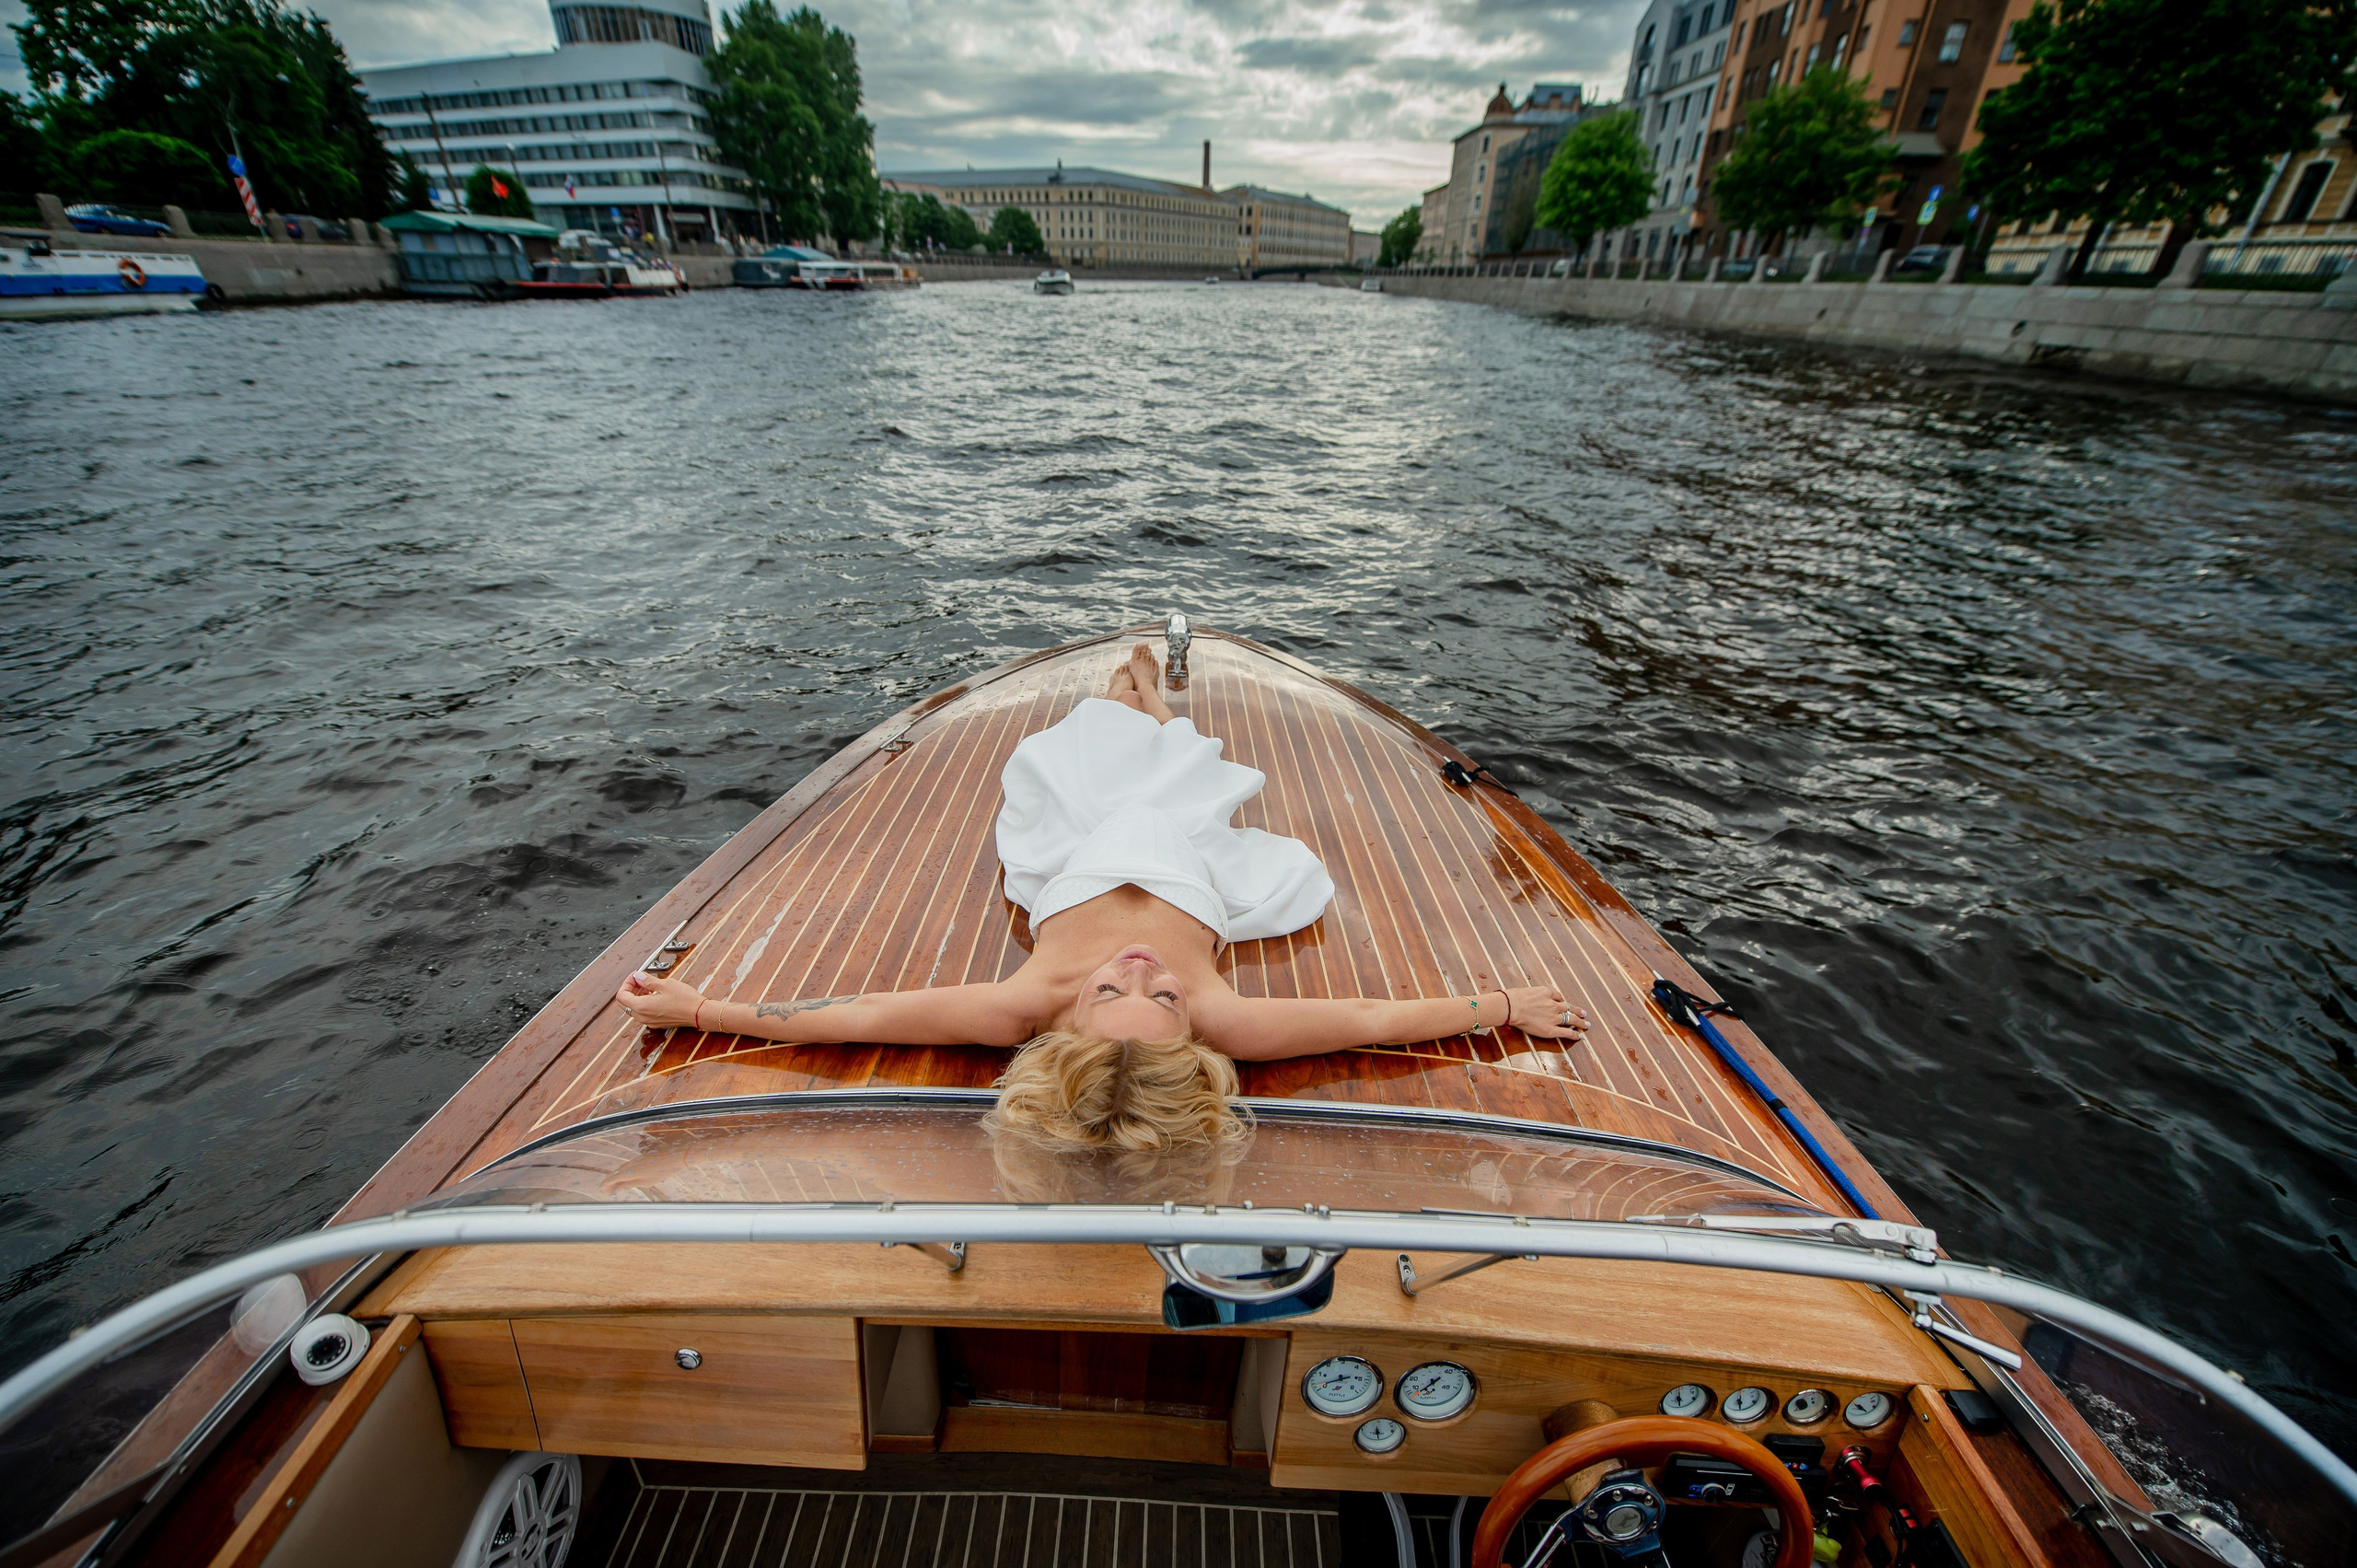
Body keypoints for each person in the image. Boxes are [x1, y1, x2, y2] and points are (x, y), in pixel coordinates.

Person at [617, 643, 1589, 1151]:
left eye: (1112, 991)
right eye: (1163, 996)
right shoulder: (1226, 1018)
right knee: (1178, 767)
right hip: (1186, 861)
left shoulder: (1021, 1004)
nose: (1141, 967)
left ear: (1064, 1026)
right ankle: (1151, 701)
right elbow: (1374, 1021)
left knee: (1080, 750)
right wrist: (1505, 1004)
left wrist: (703, 1010)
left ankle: (1136, 698)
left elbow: (857, 1015)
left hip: (1076, 858)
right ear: (1193, 1030)